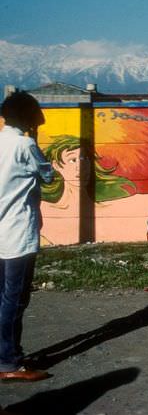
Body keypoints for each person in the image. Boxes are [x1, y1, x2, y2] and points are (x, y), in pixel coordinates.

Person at [0, 92, 54, 381]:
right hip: (18, 233)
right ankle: (9, 363)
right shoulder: (25, 145)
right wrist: (34, 137)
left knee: (1, 298)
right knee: (15, 299)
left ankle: (4, 355)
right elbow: (48, 175)